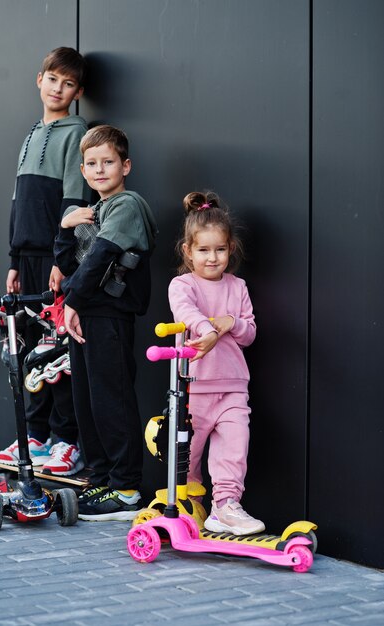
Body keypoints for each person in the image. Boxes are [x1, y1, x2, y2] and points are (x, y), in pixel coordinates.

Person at [0, 47, 92, 476]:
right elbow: (19, 200)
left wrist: (61, 256)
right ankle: (33, 436)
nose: (58, 88)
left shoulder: (77, 131)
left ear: (78, 92)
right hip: (27, 257)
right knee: (32, 350)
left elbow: (74, 197)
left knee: (59, 351)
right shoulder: (32, 133)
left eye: (68, 84)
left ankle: (65, 442)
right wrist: (14, 258)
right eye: (53, 79)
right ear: (39, 80)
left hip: (55, 259)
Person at [54, 124, 158, 521]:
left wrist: (73, 302)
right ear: (82, 170)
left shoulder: (125, 204)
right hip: (84, 313)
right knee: (87, 400)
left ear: (125, 165)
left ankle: (126, 488)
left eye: (108, 162)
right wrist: (65, 229)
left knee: (112, 399)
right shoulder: (88, 210)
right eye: (92, 164)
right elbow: (70, 265)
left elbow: (101, 256)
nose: (100, 170)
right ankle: (102, 479)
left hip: (109, 315)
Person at [168, 191, 265, 535]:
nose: (213, 258)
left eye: (220, 250)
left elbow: (248, 332)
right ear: (188, 251)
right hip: (194, 390)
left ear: (231, 249)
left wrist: (228, 323)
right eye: (204, 250)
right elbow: (186, 313)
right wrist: (209, 328)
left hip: (233, 386)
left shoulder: (237, 287)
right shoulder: (182, 284)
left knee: (234, 450)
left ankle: (225, 506)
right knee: (187, 460)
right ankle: (187, 504)